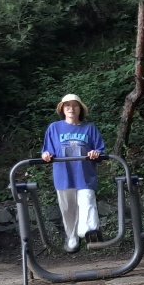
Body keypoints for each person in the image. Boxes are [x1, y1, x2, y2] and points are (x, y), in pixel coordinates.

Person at [41, 93, 106, 252]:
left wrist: (95, 153)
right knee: (68, 209)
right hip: (63, 175)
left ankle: (90, 233)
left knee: (87, 201)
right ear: (62, 109)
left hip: (84, 174)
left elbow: (100, 150)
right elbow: (47, 151)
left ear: (80, 109)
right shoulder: (54, 128)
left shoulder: (89, 128)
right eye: (67, 105)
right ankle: (72, 237)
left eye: (75, 105)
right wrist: (46, 155)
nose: (71, 108)